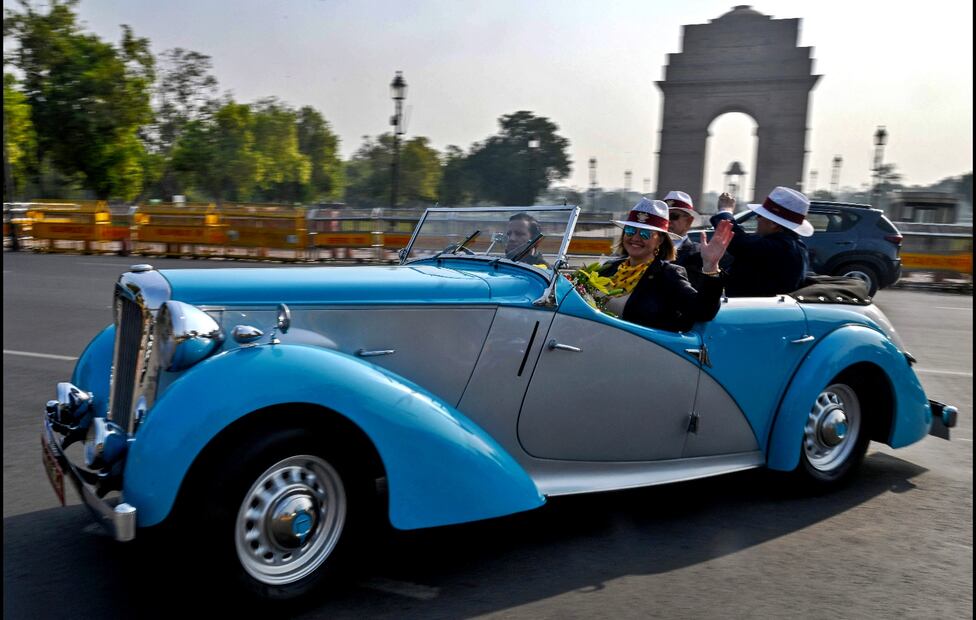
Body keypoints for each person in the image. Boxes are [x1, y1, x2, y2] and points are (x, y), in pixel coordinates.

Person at [598, 198, 733, 332]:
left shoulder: (667, 274)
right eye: (630, 231)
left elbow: (703, 311)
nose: (635, 238)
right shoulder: (609, 268)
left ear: (660, 240)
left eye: (645, 234)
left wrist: (711, 266)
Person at [709, 187, 811, 297]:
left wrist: (725, 210)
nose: (757, 219)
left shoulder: (780, 246)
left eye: (760, 215)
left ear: (774, 224)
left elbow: (740, 243)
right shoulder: (795, 245)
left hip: (755, 309)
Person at [663, 190, 704, 289]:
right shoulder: (648, 247)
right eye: (664, 216)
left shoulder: (699, 254)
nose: (668, 221)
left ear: (689, 221)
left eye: (673, 216)